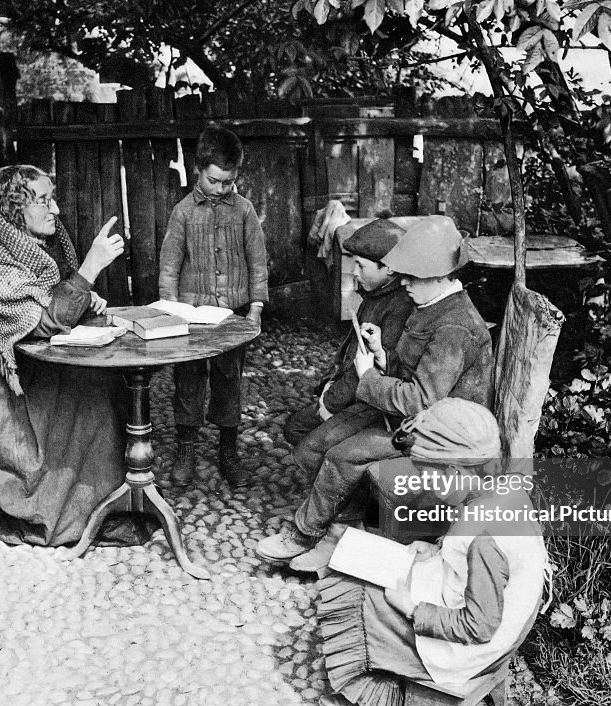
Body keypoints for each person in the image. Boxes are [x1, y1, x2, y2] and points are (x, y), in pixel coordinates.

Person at [256, 217, 494, 564]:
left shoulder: (454, 326)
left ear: (441, 276)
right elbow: (414, 377)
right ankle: (340, 532)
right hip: (410, 423)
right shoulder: (432, 306)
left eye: (413, 276)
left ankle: (308, 535)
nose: (405, 282)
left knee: (343, 454)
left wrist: (368, 378)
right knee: (323, 444)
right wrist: (383, 355)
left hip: (442, 443)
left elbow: (419, 401)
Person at [0, 164, 128, 546]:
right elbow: (45, 321)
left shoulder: (24, 248)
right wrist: (88, 271)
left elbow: (47, 301)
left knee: (100, 381)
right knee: (64, 400)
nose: (55, 211)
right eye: (44, 202)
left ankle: (106, 499)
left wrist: (82, 297)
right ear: (15, 211)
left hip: (12, 344)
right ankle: (64, 511)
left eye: (53, 200)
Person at [313, 399, 547, 706]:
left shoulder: (486, 537)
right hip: (475, 603)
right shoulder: (498, 490)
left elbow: (477, 627)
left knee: (361, 592)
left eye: (429, 477)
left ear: (454, 472)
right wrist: (436, 549)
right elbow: (471, 556)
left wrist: (410, 608)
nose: (428, 486)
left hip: (472, 644)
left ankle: (371, 693)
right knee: (374, 561)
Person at [158, 124, 269, 489]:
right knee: (188, 382)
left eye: (228, 182)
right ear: (198, 170)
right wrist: (170, 308)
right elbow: (170, 265)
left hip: (232, 317)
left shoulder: (244, 210)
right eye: (214, 181)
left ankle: (228, 451)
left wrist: (254, 307)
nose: (221, 188)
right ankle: (186, 449)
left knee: (229, 382)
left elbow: (257, 261)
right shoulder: (183, 213)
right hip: (191, 319)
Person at [282, 218, 413, 448]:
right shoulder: (376, 292)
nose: (354, 272)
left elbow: (369, 368)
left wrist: (330, 404)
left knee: (298, 430)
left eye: (361, 266)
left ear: (390, 268)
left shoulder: (399, 307)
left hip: (370, 401)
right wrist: (329, 384)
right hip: (352, 391)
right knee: (297, 427)